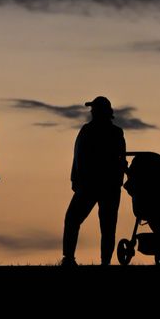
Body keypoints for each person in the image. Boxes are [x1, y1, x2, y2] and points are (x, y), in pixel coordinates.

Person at [61, 96, 127, 266]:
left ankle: (70, 258)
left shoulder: (89, 130)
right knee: (107, 226)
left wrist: (76, 180)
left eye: (95, 109)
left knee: (75, 220)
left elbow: (79, 157)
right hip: (105, 186)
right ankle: (103, 262)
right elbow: (121, 160)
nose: (92, 112)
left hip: (91, 185)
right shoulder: (115, 132)